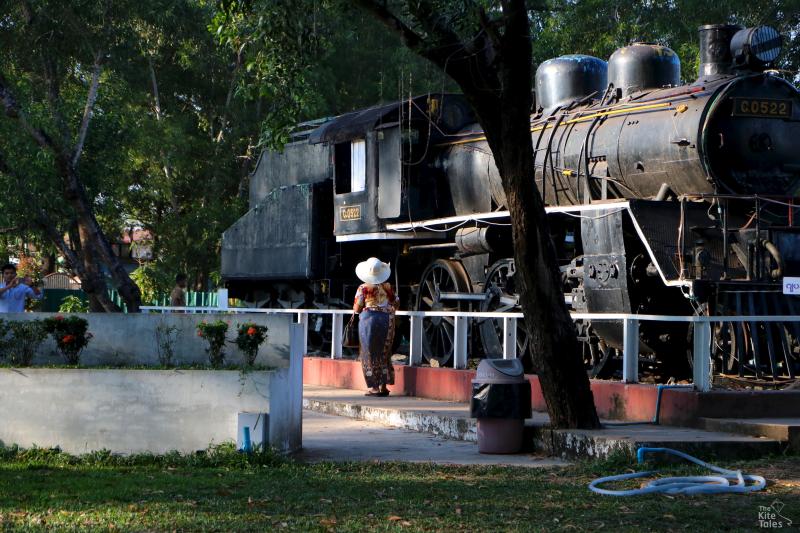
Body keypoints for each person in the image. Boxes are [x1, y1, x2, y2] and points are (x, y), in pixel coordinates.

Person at [352, 257, 399, 397]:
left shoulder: (363, 288)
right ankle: (384, 386)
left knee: (369, 353)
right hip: (387, 320)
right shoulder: (388, 287)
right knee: (384, 352)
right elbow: (396, 303)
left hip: (369, 321)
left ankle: (374, 388)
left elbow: (358, 307)